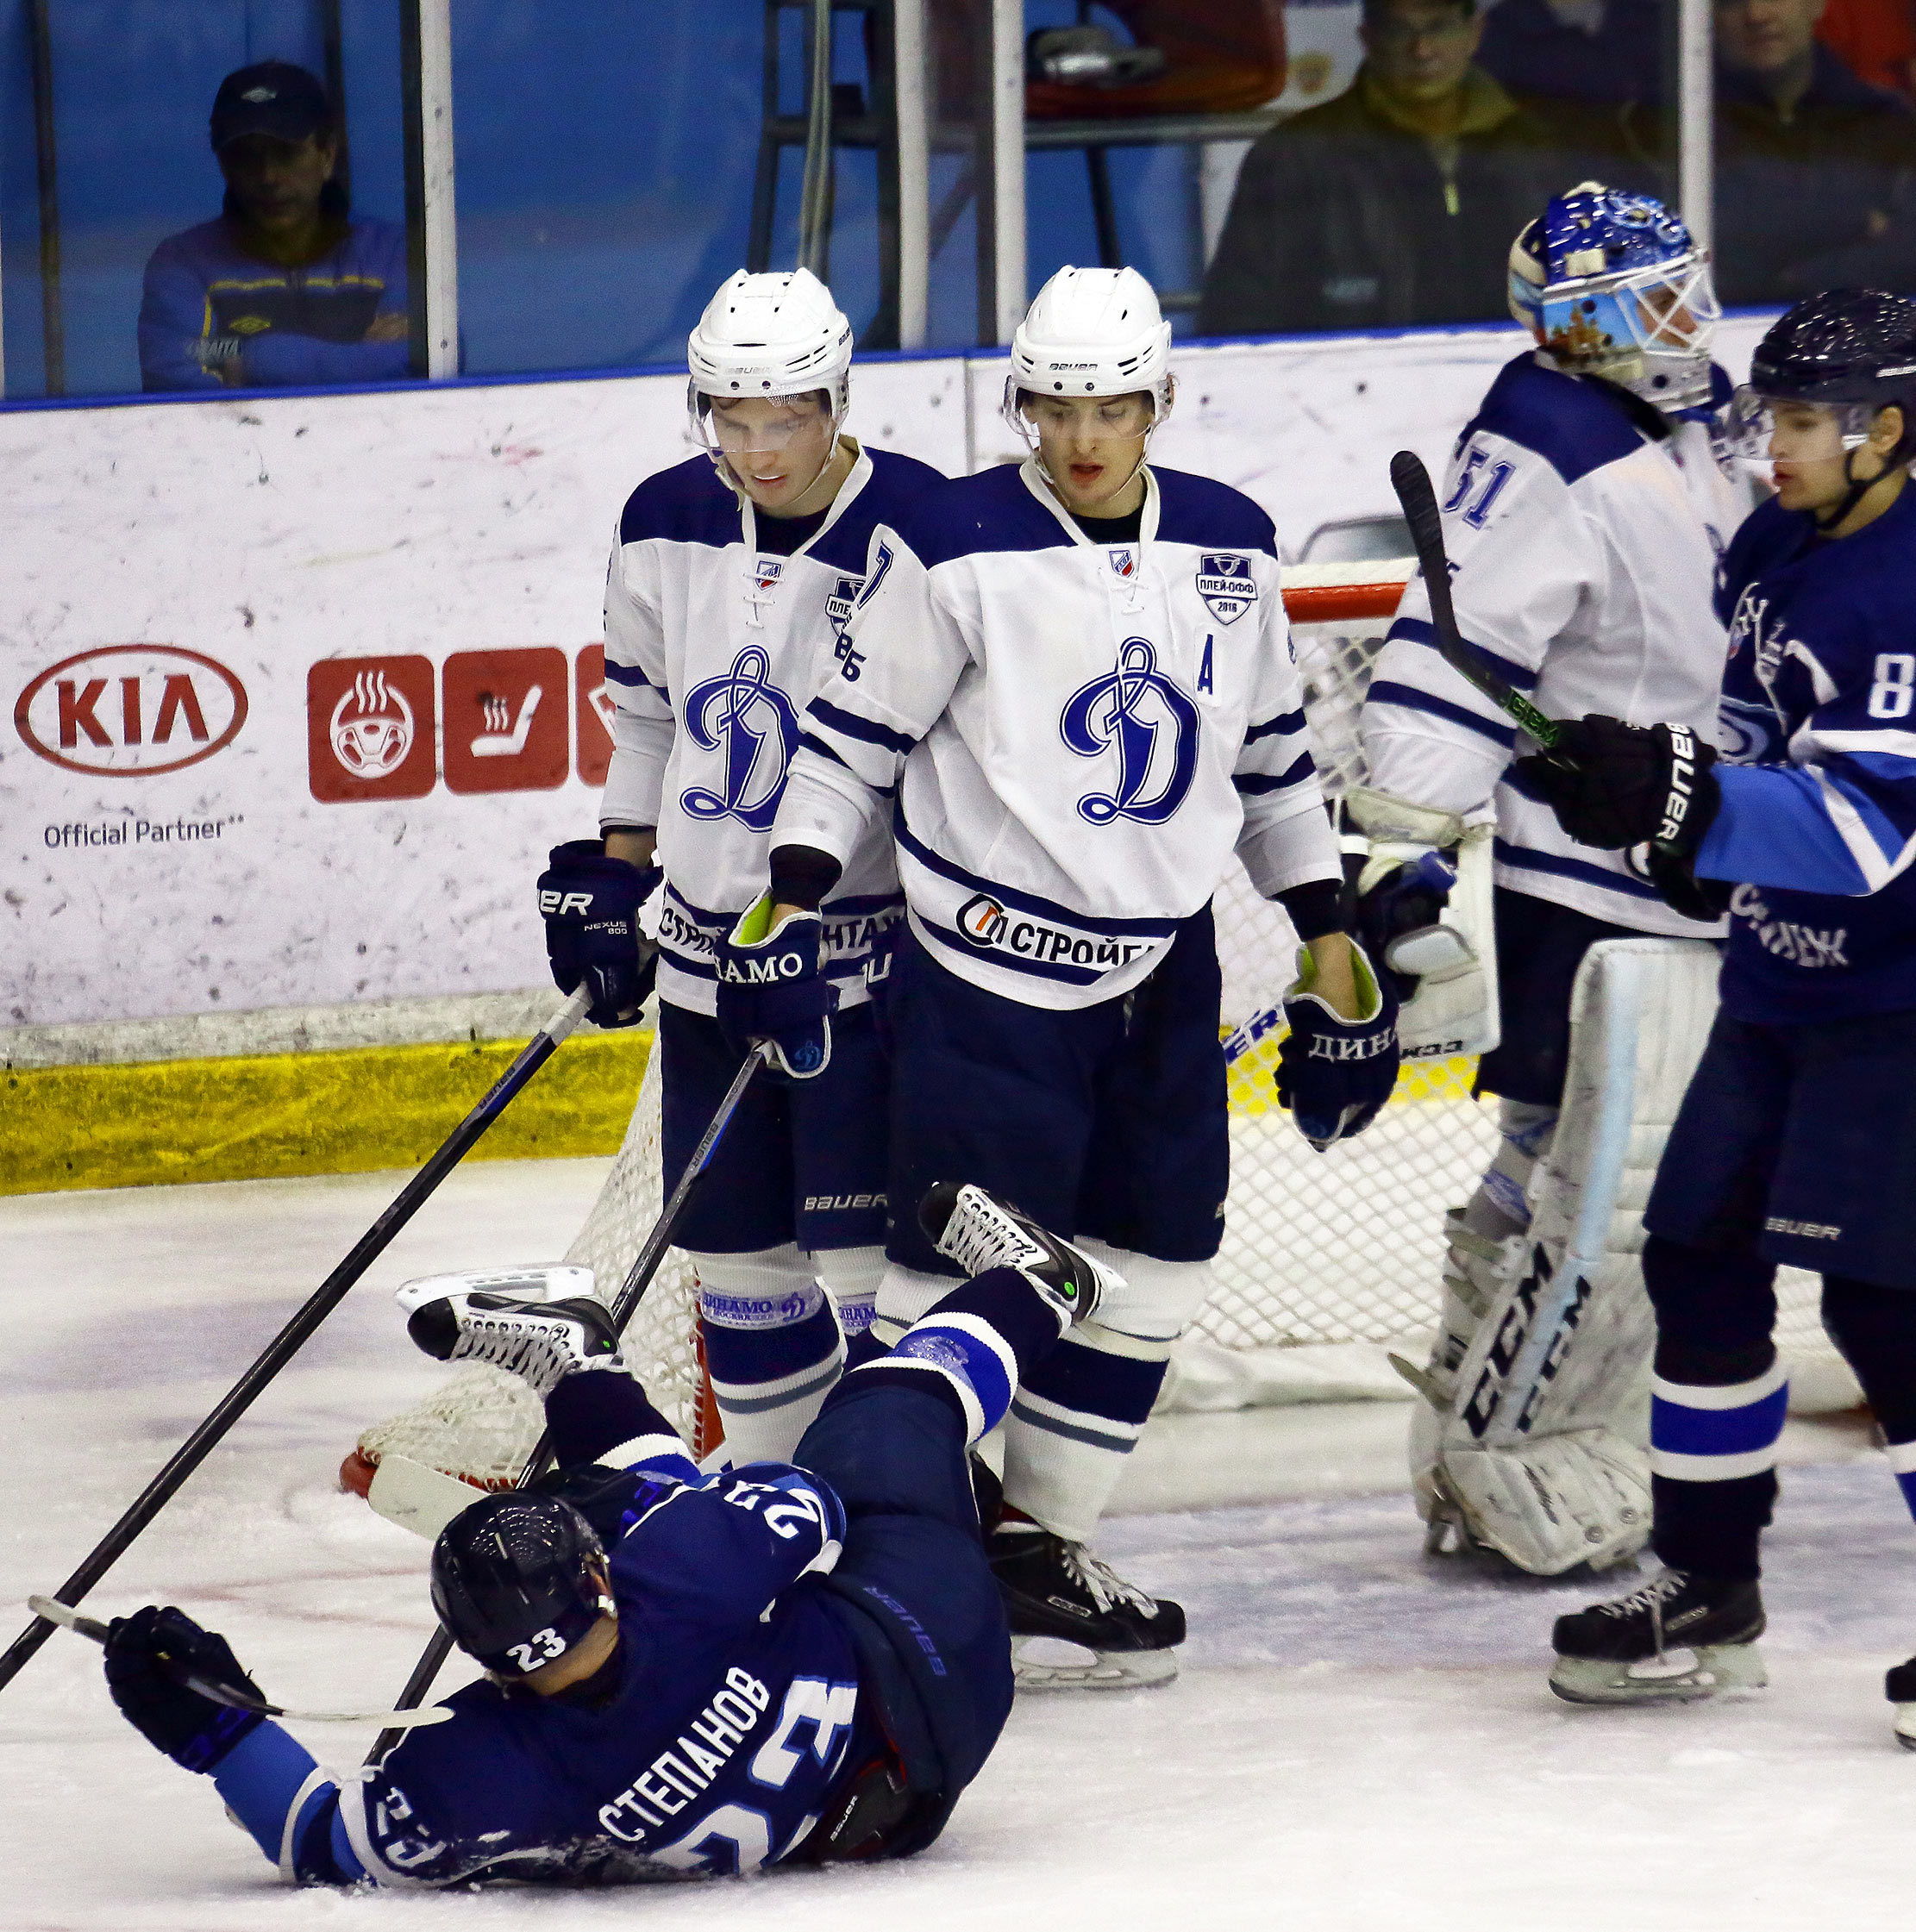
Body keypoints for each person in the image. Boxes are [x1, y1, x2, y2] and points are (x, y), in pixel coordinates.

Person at [728, 266, 1399, 1688]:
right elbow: (851, 737)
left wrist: (1328, 940)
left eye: (1110, 404)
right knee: (951, 1279)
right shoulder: (952, 539)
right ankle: (902, 1574)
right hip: (984, 985)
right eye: (1054, 403)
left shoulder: (1228, 542)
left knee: (1156, 1262)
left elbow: (1273, 755)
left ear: (1160, 398)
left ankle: (1038, 1546)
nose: (1082, 435)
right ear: (1021, 402)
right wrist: (788, 888)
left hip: (1166, 978)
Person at [91, 1184, 1117, 1883]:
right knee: (884, 1410)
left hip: (888, 1815)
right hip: (927, 1643)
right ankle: (1040, 1281)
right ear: (597, 1576)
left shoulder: (479, 1767)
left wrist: (215, 1734)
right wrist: (632, 1516)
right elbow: (812, 1512)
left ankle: (575, 1356)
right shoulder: (681, 1577)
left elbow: (320, 1838)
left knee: (674, 1511)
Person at [1506, 289, 1916, 1723]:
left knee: (1888, 1304)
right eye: (1769, 417)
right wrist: (1662, 809)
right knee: (1695, 1258)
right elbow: (1749, 749)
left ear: (1887, 431)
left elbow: (1873, 834)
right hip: (1774, 985)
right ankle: (1707, 1579)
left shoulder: (1908, 588)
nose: (1770, 448)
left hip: (1893, 1000)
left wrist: (1691, 801)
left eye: (1803, 423)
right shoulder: (1770, 547)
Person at [1352, 184, 1746, 1571]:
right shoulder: (1547, 438)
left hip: (1709, 861)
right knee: (1607, 1181)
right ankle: (1520, 1456)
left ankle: (1472, 1437)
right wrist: (1398, 857)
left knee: (1562, 1165)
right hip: (1599, 887)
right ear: (1578, 327)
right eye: (1654, 298)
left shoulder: (1687, 421)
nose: (1688, 317)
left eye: (1686, 284)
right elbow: (1452, 656)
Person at [537, 268, 942, 1464]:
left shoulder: (915, 523)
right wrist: (620, 876)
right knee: (739, 1268)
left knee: (871, 1285)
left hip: (856, 975)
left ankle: (892, 1517)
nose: (758, 451)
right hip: (706, 969)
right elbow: (649, 721)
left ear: (836, 400)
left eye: (787, 420)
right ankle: (774, 1507)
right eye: (732, 419)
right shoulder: (660, 517)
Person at [1196, 0, 1557, 338]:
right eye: (1400, 30)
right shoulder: (1295, 155)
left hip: (1512, 387)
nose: (1422, 50)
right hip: (1344, 393)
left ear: (1475, 32)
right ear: (1368, 37)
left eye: (1440, 27)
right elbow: (1237, 317)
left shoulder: (1539, 148)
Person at [137, 61, 408, 392]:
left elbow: (435, 354)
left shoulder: (392, 252)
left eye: (287, 153)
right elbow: (176, 374)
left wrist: (255, 360)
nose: (268, 176)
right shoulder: (183, 263)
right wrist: (359, 355)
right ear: (224, 165)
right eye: (246, 157)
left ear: (327, 154)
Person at [1713, 0, 1916, 305]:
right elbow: (1709, 257)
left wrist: (1798, 279)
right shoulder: (1670, 130)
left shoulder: (1883, 119)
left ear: (1816, 4)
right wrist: (1852, 222)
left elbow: (1906, 253)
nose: (1756, 15)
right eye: (1732, 3)